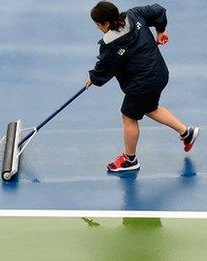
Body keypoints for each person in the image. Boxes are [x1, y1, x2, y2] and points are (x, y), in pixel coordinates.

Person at [85, 1, 199, 172]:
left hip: (143, 83)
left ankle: (130, 160)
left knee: (128, 115)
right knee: (149, 107)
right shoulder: (134, 14)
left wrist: (92, 78)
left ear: (106, 23)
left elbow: (104, 68)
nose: (97, 28)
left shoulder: (109, 44)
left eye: (97, 24)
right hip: (160, 73)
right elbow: (158, 11)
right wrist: (160, 31)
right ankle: (186, 132)